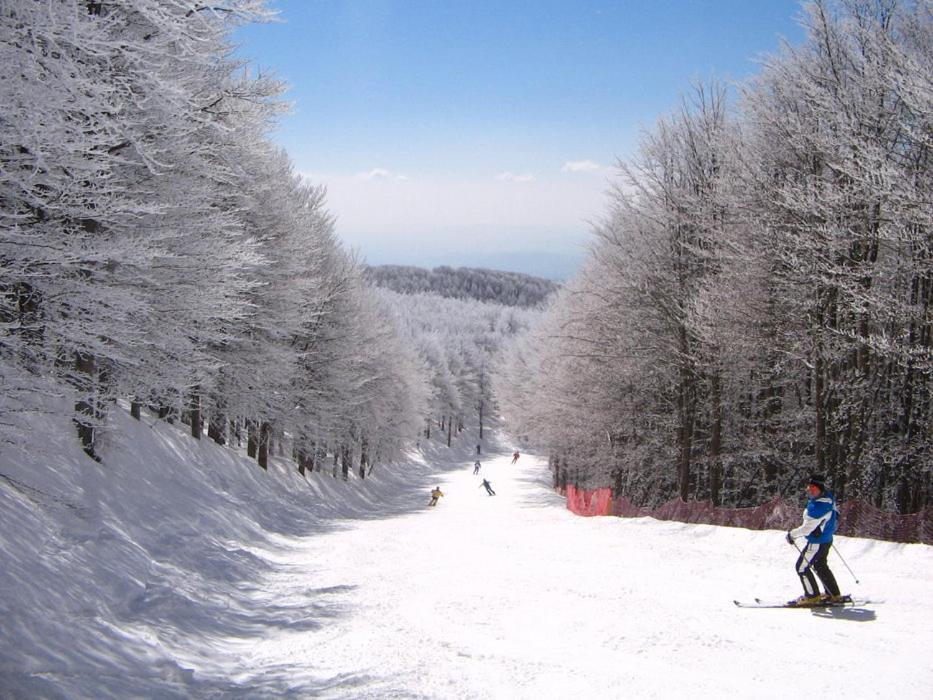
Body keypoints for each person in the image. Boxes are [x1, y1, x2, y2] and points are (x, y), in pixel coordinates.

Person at [785, 476, 842, 605]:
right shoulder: (827, 498)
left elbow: (806, 529)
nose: (810, 491)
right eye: (809, 488)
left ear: (820, 489)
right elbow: (835, 513)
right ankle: (833, 594)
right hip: (826, 540)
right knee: (820, 565)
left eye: (813, 488)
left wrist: (791, 535)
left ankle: (812, 596)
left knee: (801, 567)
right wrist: (825, 526)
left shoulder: (819, 507)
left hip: (817, 542)